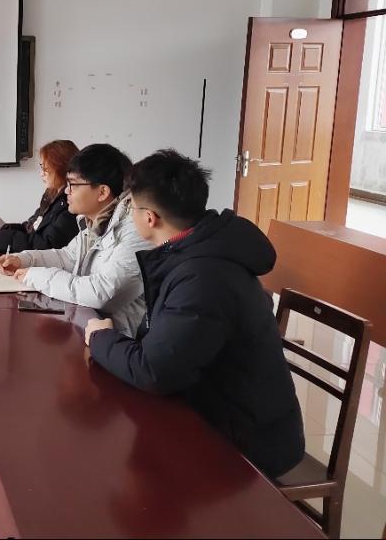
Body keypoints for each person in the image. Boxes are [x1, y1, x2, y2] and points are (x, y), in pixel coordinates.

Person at [84, 149, 304, 478]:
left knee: (113, 460)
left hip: (245, 440)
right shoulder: (193, 251)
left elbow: (153, 370)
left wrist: (101, 337)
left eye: (130, 208)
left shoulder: (203, 276)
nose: (129, 216)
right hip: (212, 408)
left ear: (149, 218)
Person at [0, 143, 149, 337]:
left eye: (73, 185)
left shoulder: (134, 229)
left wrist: (34, 275)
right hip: (89, 325)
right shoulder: (95, 220)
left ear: (102, 192)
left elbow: (101, 292)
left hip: (120, 339)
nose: (67, 191)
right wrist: (24, 259)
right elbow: (67, 257)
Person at [0, 140, 79, 257]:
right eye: (42, 168)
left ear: (62, 168)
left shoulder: (71, 205)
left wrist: (3, 239)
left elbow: (46, 246)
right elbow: (33, 226)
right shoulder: (51, 194)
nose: (41, 174)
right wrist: (5, 231)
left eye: (46, 169)